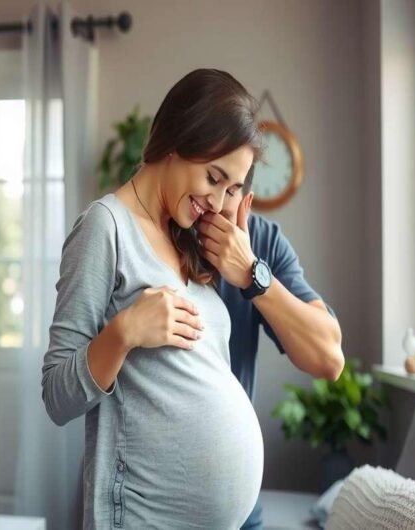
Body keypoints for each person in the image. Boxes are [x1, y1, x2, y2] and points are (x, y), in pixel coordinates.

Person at [42, 69, 271, 529]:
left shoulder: (185, 238)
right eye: (213, 177)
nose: (219, 200)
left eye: (232, 188)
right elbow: (56, 396)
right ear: (176, 139)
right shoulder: (104, 228)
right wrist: (125, 331)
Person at [197, 163, 345, 530]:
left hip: (236, 502)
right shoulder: (144, 233)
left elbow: (330, 358)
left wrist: (251, 273)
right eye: (209, 181)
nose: (213, 208)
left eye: (229, 192)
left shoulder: (261, 240)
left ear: (245, 201)